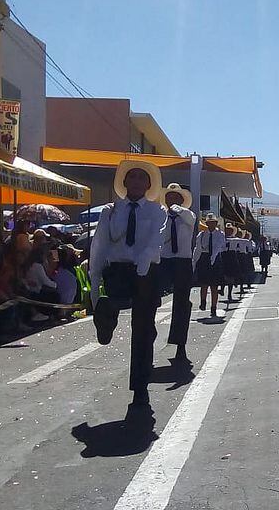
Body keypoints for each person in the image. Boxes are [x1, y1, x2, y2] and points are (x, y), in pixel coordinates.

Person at [89, 159, 167, 406]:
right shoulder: (110, 211)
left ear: (148, 184)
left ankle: (140, 386)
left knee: (143, 330)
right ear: (123, 182)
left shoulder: (157, 211)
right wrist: (94, 275)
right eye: (131, 177)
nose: (135, 181)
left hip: (146, 271)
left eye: (141, 177)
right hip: (118, 270)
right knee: (109, 304)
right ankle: (106, 319)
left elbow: (157, 239)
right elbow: (100, 244)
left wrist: (143, 263)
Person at [159, 183, 196, 361]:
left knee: (181, 304)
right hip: (163, 261)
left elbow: (189, 216)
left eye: (175, 198)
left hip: (182, 262)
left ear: (182, 201)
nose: (171, 201)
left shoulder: (188, 216)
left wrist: (177, 209)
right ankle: (149, 338)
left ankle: (180, 343)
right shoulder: (160, 217)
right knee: (149, 299)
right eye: (169, 197)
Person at [193, 214, 225, 316]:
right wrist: (194, 262)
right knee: (204, 284)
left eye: (213, 223)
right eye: (209, 223)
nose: (211, 224)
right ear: (206, 224)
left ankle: (214, 307)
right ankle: (203, 301)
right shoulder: (201, 235)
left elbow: (219, 246)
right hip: (204, 258)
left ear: (216, 223)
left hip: (215, 259)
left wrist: (214, 257)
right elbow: (197, 249)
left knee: (214, 286)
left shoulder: (220, 234)